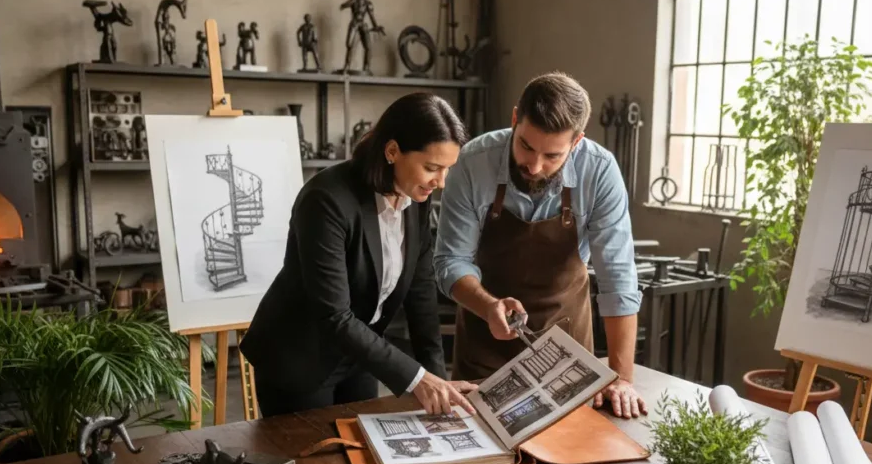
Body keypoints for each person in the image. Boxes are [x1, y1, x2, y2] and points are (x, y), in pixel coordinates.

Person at [240, 92, 478, 417]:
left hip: (360, 356)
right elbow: (334, 317)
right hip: (300, 358)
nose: (441, 182)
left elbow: (420, 293)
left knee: (361, 455)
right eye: (432, 168)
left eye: (447, 169)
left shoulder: (415, 198)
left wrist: (438, 380)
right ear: (392, 151)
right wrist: (417, 380)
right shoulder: (327, 200)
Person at [434, 72, 646, 418]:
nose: (534, 165)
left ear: (576, 142)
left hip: (568, 353)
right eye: (526, 146)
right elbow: (449, 261)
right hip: (484, 346)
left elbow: (618, 279)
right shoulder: (472, 163)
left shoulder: (600, 171)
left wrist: (621, 378)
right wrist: (489, 307)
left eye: (552, 156)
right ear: (515, 119)